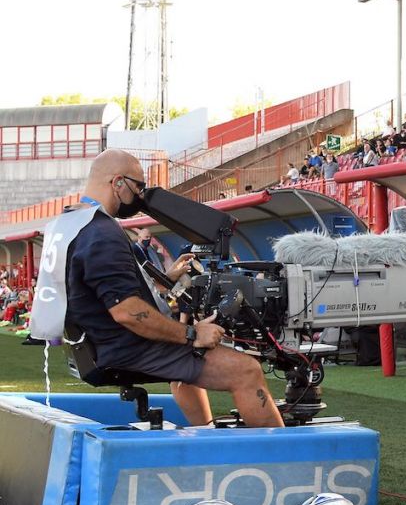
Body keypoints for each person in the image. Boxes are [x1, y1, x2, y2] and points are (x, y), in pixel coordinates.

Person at [51, 149, 283, 427]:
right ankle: (283, 462)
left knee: (186, 365)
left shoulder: (71, 223)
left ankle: (203, 433)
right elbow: (126, 311)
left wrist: (166, 280)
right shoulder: (102, 232)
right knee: (246, 370)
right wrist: (191, 334)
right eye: (139, 187)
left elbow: (103, 291)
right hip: (125, 345)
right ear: (118, 183)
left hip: (97, 342)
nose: (141, 196)